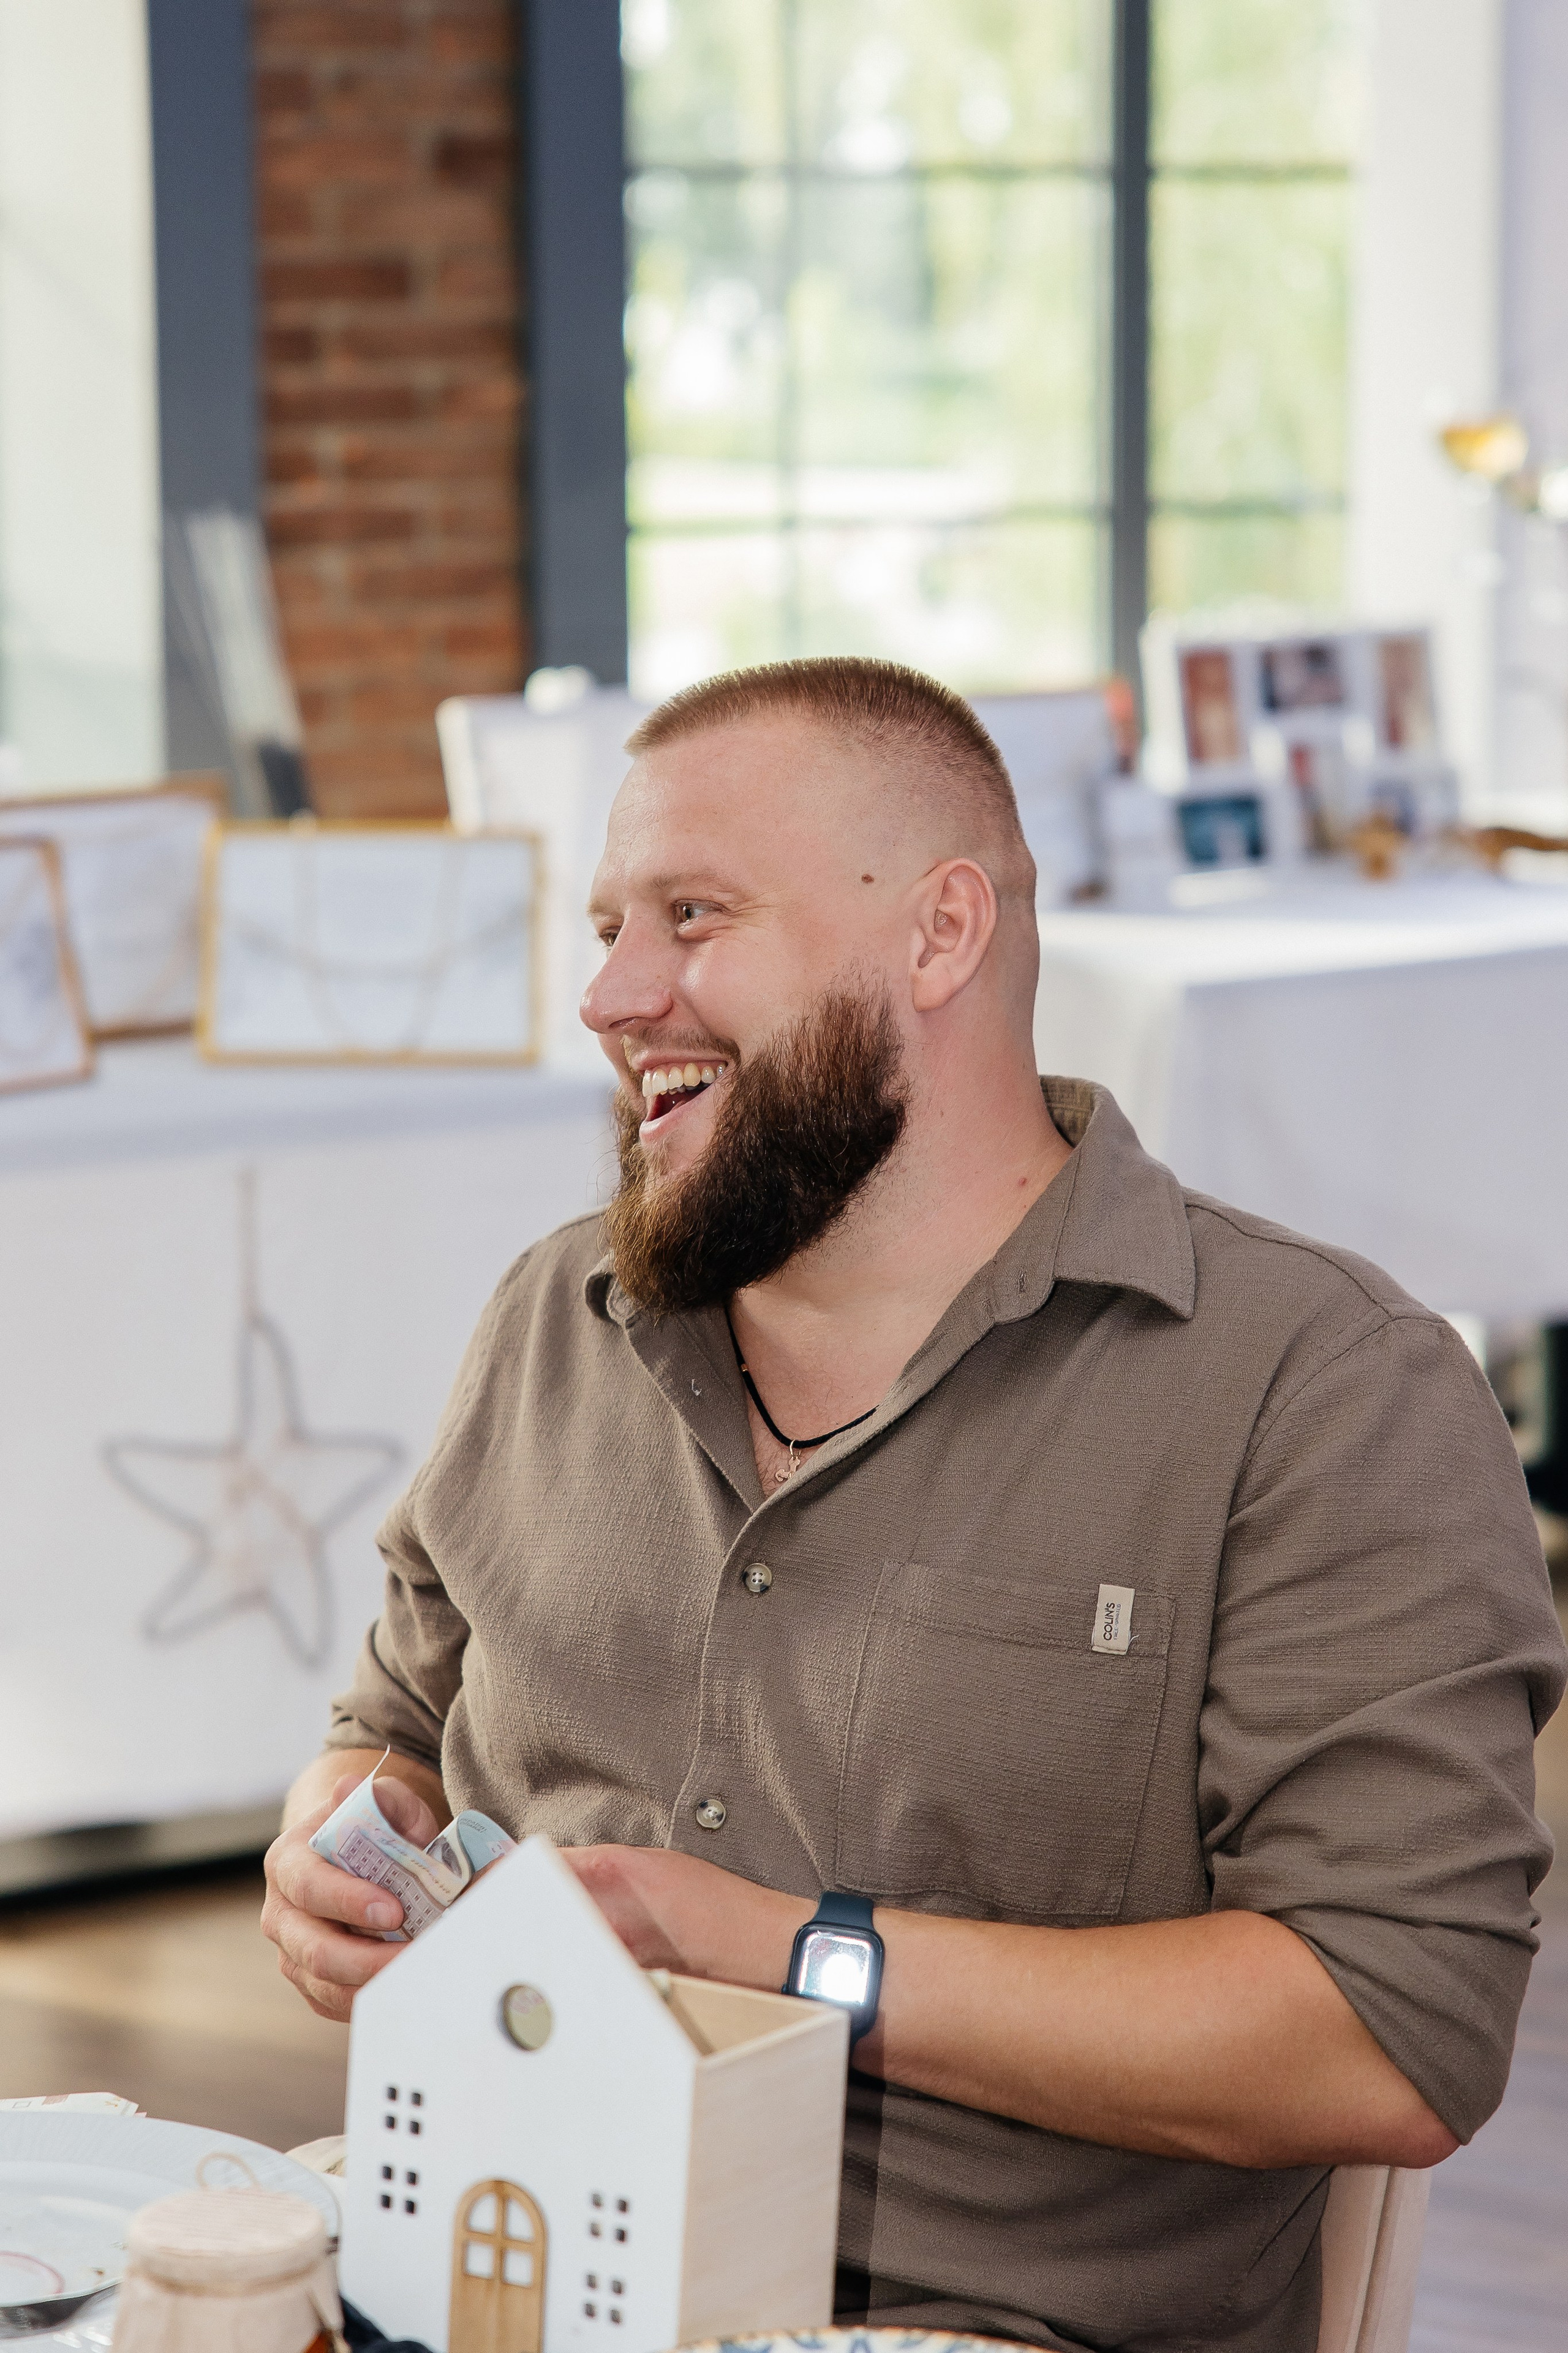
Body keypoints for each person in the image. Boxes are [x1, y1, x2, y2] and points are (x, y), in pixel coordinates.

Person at [263, 657, 1566, 2353]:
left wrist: (786, 1951)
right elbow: (393, 1724)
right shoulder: (553, 1314)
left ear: (941, 934)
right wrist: (342, 1838)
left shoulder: (1322, 1390)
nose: (610, 993)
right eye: (608, 926)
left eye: (693, 916)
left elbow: (1392, 2034)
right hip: (473, 2272)